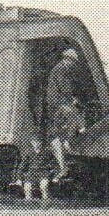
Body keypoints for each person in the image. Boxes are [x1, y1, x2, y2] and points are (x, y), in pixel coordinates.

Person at [43, 47, 89, 180]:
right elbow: (65, 89)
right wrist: (74, 99)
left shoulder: (60, 69)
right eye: (72, 62)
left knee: (69, 119)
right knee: (75, 114)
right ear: (67, 60)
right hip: (58, 103)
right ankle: (77, 135)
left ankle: (70, 140)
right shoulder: (61, 70)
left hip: (57, 104)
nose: (73, 64)